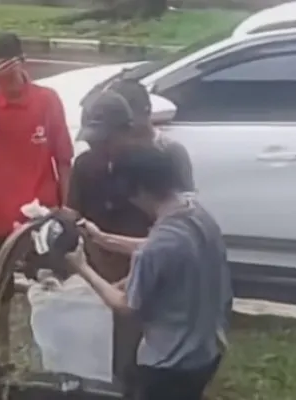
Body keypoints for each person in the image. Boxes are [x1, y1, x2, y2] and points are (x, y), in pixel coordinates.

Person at [67, 144, 233, 400]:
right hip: (206, 352)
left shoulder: (157, 249)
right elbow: (167, 250)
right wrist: (103, 239)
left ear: (138, 189)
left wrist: (82, 267)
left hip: (169, 364)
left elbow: (126, 306)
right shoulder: (197, 215)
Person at [66, 82, 194, 389]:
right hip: (101, 265)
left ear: (127, 131)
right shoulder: (85, 164)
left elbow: (173, 222)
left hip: (145, 264)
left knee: (139, 348)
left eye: (106, 140)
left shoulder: (156, 164)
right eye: (95, 142)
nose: (100, 148)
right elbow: (75, 210)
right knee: (100, 345)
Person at [0, 32, 73, 367]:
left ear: (22, 63)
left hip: (40, 212)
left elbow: (63, 157)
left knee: (51, 285)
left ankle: (52, 353)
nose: (1, 77)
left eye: (6, 68)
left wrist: (66, 207)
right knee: (0, 290)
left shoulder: (46, 100)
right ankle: (2, 351)